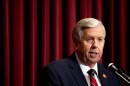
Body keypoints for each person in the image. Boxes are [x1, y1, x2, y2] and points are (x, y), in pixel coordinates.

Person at [41, 18, 122, 86]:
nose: (95, 45)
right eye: (89, 39)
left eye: (100, 39)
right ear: (76, 44)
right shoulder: (55, 72)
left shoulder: (113, 75)